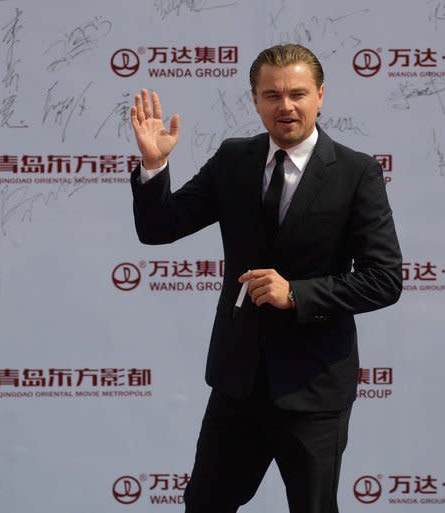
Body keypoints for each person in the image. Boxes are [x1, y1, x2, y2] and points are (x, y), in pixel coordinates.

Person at [130, 43, 402, 513]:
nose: (286, 106)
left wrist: (295, 294)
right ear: (255, 100)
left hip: (314, 388)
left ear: (320, 95)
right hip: (238, 381)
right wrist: (154, 166)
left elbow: (384, 279)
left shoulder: (356, 172)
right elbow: (160, 229)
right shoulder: (234, 159)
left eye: (298, 93)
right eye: (272, 95)